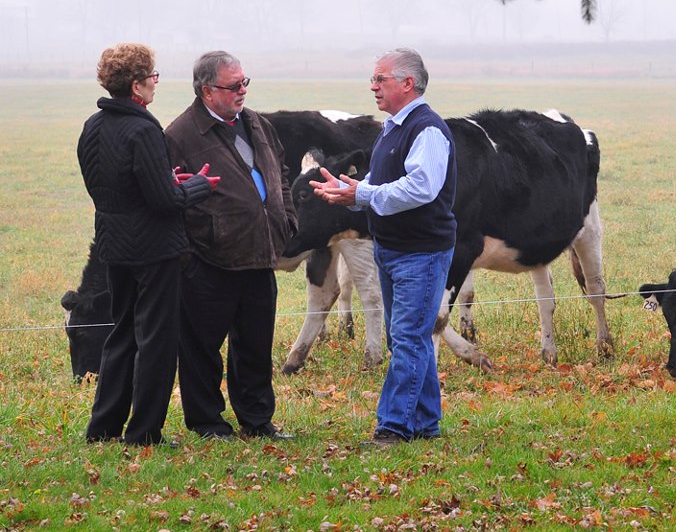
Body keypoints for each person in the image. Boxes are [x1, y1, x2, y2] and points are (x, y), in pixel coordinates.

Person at [311, 48, 456, 446]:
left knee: (407, 337)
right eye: (373, 80)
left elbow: (422, 187)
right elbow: (381, 180)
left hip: (421, 251)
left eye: (381, 79)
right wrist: (350, 193)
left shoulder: (427, 129)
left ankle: (393, 427)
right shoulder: (394, 126)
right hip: (393, 249)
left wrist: (366, 192)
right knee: (409, 337)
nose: (373, 86)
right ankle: (426, 424)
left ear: (407, 83)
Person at [78, 43, 218, 447]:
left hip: (113, 246)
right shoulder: (143, 128)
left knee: (121, 334)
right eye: (153, 76)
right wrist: (195, 186)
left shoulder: (93, 125)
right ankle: (144, 433)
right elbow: (164, 201)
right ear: (137, 85)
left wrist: (162, 180)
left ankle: (102, 429)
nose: (157, 82)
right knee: (156, 339)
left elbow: (110, 186)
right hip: (155, 250)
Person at [165, 51, 297, 441]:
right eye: (233, 85)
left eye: (245, 83)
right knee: (202, 348)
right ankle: (207, 423)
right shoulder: (179, 135)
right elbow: (173, 197)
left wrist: (286, 216)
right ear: (206, 90)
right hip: (209, 261)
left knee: (256, 345)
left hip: (260, 253)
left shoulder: (257, 123)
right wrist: (203, 240)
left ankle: (257, 421)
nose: (242, 91)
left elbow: (281, 173)